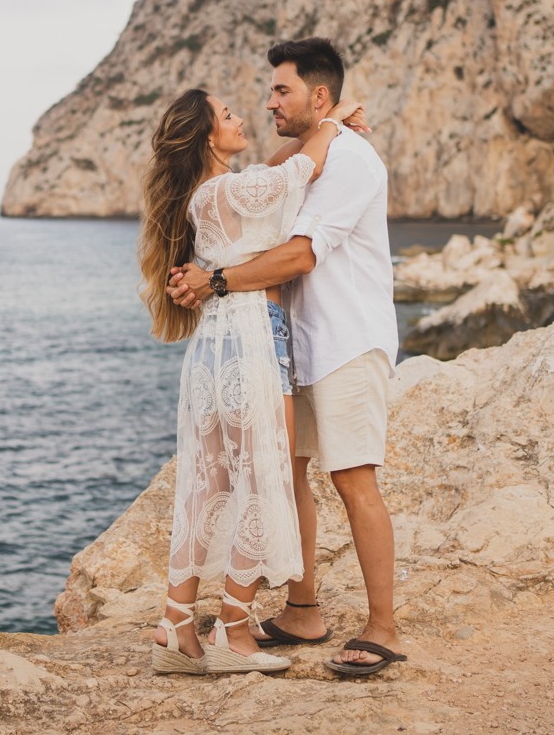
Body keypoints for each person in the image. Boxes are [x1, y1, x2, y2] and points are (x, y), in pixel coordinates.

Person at [167, 37, 406, 677]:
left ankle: (382, 627)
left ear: (317, 95)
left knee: (354, 480)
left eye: (283, 91)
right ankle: (303, 608)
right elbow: (271, 182)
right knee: (287, 471)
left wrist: (213, 279)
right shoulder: (312, 151)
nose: (270, 101)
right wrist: (325, 126)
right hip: (292, 342)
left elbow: (301, 254)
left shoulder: (350, 159)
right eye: (271, 91)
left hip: (346, 340)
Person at [137, 86, 363, 675]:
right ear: (209, 135)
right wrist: (333, 120)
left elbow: (277, 177)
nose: (241, 118)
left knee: (209, 485)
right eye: (228, 114)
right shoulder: (232, 189)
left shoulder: (209, 196)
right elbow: (301, 168)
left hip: (216, 341)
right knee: (264, 478)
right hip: (253, 336)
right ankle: (233, 628)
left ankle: (176, 623)